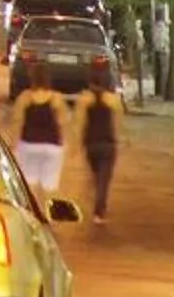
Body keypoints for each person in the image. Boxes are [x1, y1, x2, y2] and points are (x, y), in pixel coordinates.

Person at [12, 81, 68, 197]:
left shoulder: (25, 97)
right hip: (52, 145)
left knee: (28, 185)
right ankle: (47, 207)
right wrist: (65, 142)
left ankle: (32, 207)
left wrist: (13, 142)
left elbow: (17, 121)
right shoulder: (56, 98)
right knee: (49, 187)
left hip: (29, 144)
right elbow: (62, 122)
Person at [78, 84, 121, 222]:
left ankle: (99, 202)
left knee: (96, 177)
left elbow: (80, 122)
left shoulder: (85, 100)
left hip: (91, 144)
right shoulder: (113, 100)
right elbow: (117, 123)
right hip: (107, 143)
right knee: (104, 179)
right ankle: (99, 210)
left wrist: (79, 142)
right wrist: (119, 140)